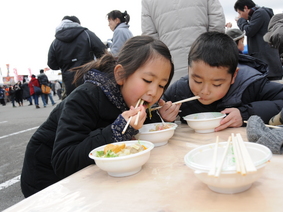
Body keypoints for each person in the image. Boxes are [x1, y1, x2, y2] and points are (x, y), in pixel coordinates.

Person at [20, 35, 174, 198]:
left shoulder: (132, 100)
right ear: (120, 75)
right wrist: (118, 130)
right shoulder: (85, 97)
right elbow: (63, 161)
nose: (154, 92)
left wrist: (160, 117)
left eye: (162, 85)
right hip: (47, 182)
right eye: (147, 80)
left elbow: (142, 134)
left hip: (89, 178)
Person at [159, 31, 283, 132]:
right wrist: (163, 118)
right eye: (197, 80)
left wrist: (245, 114)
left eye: (217, 84)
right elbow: (150, 114)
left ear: (233, 76)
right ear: (189, 70)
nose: (205, 91)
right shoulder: (179, 91)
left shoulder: (250, 84)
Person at [141, 0, 226, 83]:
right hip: (207, 62)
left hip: (172, 70)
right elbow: (217, 22)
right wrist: (211, 50)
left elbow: (151, 38)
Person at [47, 15, 107, 99]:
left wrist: (64, 65)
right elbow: (103, 52)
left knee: (75, 107)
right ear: (77, 24)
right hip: (89, 78)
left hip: (69, 82)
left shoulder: (55, 43)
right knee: (93, 105)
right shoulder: (87, 34)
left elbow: (52, 64)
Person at [234, 0, 283, 80]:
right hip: (268, 63)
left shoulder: (259, 13)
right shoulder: (259, 13)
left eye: (239, 12)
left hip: (267, 63)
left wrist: (240, 21)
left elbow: (248, 31)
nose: (240, 15)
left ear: (245, 8)